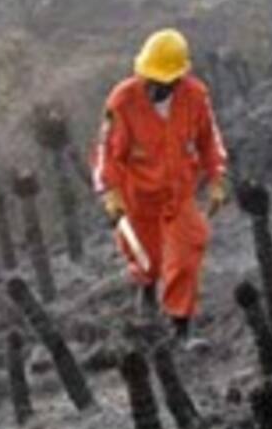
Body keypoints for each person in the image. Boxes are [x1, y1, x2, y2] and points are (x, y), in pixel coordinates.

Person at [92, 29, 228, 346]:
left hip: (178, 193)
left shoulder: (196, 96)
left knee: (187, 252)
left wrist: (217, 178)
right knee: (146, 259)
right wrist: (110, 195)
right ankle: (147, 289)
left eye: (159, 81)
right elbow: (106, 152)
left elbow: (210, 139)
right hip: (136, 195)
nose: (151, 87)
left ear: (178, 79)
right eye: (147, 79)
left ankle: (181, 329)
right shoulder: (122, 101)